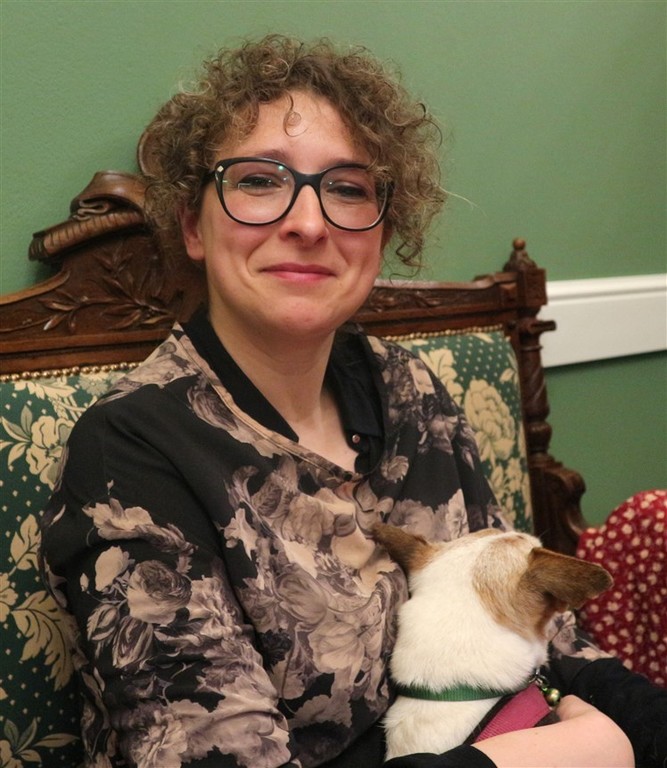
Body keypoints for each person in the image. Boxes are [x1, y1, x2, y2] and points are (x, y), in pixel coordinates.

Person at [39, 35, 665, 768]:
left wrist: (640, 730)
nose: (308, 223)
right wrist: (538, 760)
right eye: (259, 180)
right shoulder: (131, 449)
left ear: (382, 231)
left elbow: (550, 640)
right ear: (191, 226)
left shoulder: (410, 392)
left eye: (346, 188)